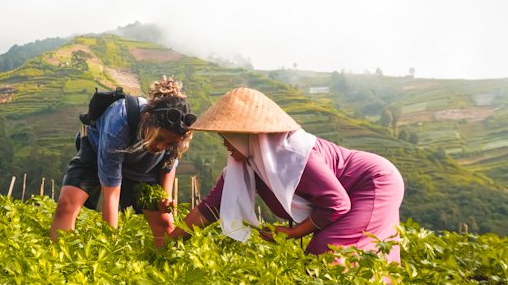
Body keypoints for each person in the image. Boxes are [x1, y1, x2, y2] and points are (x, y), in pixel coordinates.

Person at [168, 87, 404, 260]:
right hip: (356, 188)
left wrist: (293, 233)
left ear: (247, 136)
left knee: (327, 250)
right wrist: (166, 245)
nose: (225, 145)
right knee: (345, 255)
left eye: (228, 138)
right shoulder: (248, 162)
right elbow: (209, 208)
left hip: (373, 183)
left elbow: (336, 203)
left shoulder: (296, 157)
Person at [49, 77, 195, 241]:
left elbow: (169, 163)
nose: (162, 147)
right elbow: (111, 195)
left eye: (170, 143)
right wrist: (110, 247)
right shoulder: (119, 122)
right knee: (66, 206)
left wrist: (165, 197)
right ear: (146, 119)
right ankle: (59, 259)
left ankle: (164, 263)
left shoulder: (177, 133)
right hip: (98, 154)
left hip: (142, 169)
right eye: (159, 139)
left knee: (165, 225)